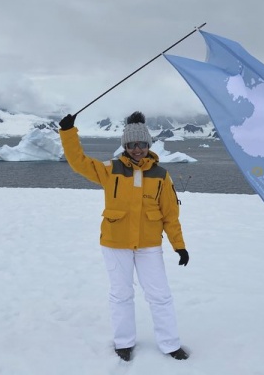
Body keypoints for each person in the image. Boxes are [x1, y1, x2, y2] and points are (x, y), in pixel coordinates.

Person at [59, 111, 190, 362]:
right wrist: (68, 133)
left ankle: (170, 343)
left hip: (148, 244)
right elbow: (78, 162)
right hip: (115, 242)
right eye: (131, 144)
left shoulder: (161, 175)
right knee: (121, 294)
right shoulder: (110, 169)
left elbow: (170, 214)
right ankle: (124, 342)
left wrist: (179, 246)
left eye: (141, 144)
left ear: (148, 144)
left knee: (160, 295)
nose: (137, 149)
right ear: (125, 145)